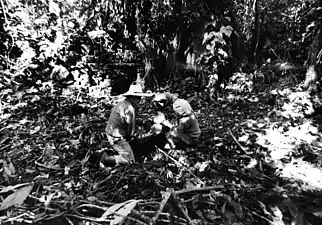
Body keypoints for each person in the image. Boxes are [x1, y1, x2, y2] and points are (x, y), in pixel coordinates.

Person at [101, 84, 154, 167]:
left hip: (110, 133)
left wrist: (141, 122)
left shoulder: (122, 103)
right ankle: (107, 158)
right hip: (117, 138)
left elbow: (125, 121)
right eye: (138, 98)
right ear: (131, 98)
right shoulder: (130, 110)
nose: (139, 101)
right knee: (130, 161)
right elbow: (131, 133)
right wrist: (146, 135)